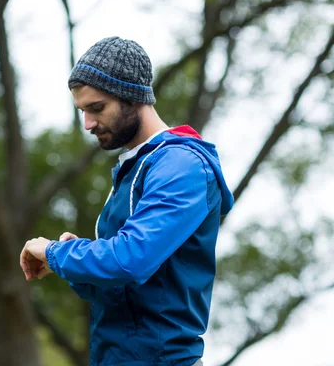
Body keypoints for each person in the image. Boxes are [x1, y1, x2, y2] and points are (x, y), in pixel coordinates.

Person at [20, 36, 234, 366]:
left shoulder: (182, 165)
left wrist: (56, 251)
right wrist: (74, 261)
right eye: (82, 111)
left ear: (133, 98)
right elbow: (122, 291)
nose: (88, 123)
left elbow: (131, 259)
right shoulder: (133, 169)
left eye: (97, 108)